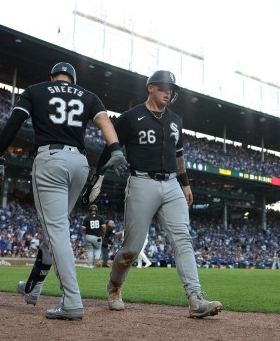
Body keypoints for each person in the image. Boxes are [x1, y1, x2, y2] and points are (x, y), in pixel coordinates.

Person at [0, 62, 128, 321]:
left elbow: (15, 120)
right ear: (72, 81)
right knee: (54, 230)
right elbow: (105, 122)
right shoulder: (88, 95)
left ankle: (72, 300)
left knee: (56, 231)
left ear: (52, 77)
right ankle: (34, 286)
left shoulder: (36, 90)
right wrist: (116, 149)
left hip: (51, 159)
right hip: (80, 164)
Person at [85, 69, 222, 318]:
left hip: (172, 185)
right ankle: (114, 287)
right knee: (131, 249)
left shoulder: (175, 120)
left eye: (170, 89)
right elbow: (111, 145)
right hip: (141, 182)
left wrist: (186, 184)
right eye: (162, 87)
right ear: (150, 88)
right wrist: (98, 175)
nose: (167, 92)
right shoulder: (131, 117)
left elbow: (178, 155)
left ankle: (195, 298)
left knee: (183, 241)